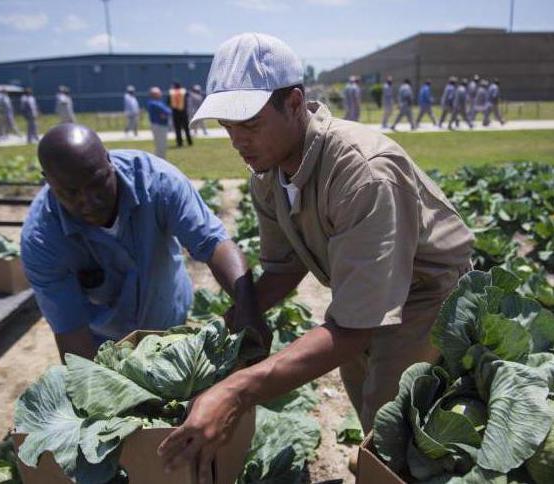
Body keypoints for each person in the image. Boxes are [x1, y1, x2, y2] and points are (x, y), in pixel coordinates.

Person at [156, 33, 474, 480]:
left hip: (429, 292)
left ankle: (390, 464)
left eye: (248, 124)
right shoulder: (268, 174)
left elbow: (355, 325)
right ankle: (377, 458)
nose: (237, 142)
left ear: (294, 103)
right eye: (227, 128)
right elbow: (286, 268)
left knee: (390, 408)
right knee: (360, 386)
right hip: (359, 290)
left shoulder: (363, 172)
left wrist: (237, 391)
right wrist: (236, 317)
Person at [21, 123, 270, 361]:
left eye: (97, 183)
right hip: (107, 344)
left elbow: (214, 243)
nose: (89, 201)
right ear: (48, 182)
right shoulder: (42, 239)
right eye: (70, 192)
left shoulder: (157, 182)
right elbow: (70, 329)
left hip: (170, 320)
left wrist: (248, 307)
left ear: (108, 161)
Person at [146, 87, 171, 159]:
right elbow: (167, 111)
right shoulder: (153, 103)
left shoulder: (158, 102)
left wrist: (165, 113)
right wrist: (165, 113)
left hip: (161, 126)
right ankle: (161, 161)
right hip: (159, 126)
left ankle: (161, 160)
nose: (161, 94)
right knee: (161, 146)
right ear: (154, 94)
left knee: (162, 145)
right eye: (159, 93)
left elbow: (168, 111)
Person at [168, 81, 193, 147]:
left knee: (177, 129)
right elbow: (188, 98)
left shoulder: (172, 93)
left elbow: (168, 102)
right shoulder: (184, 92)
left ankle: (180, 143)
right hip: (184, 113)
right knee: (186, 129)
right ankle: (189, 142)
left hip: (175, 113)